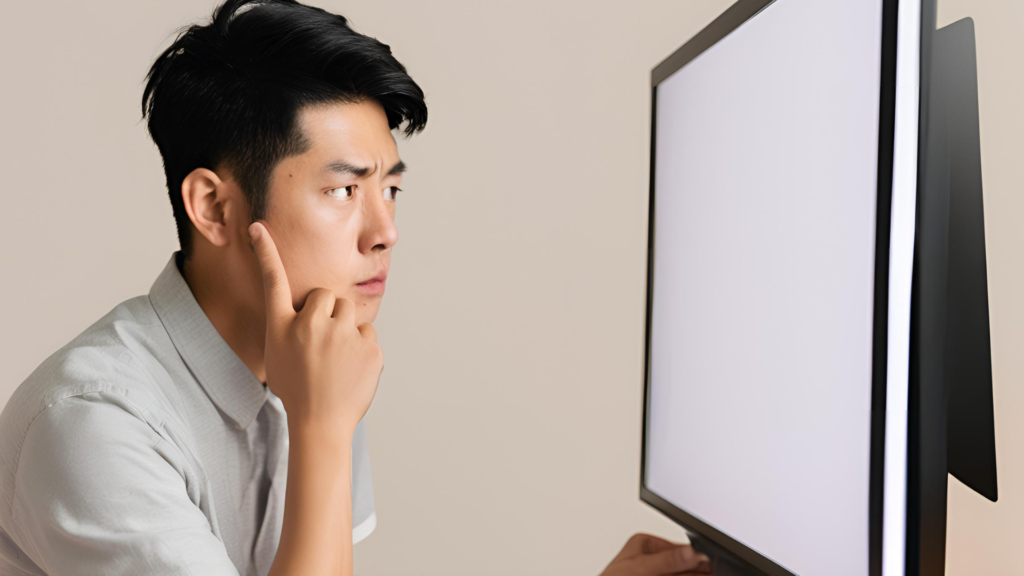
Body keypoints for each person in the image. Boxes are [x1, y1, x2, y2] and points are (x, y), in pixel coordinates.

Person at [0, 1, 713, 574]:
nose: (384, 231)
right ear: (213, 207)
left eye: (391, 189)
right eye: (343, 189)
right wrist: (321, 427)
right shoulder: (92, 425)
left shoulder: (314, 348)